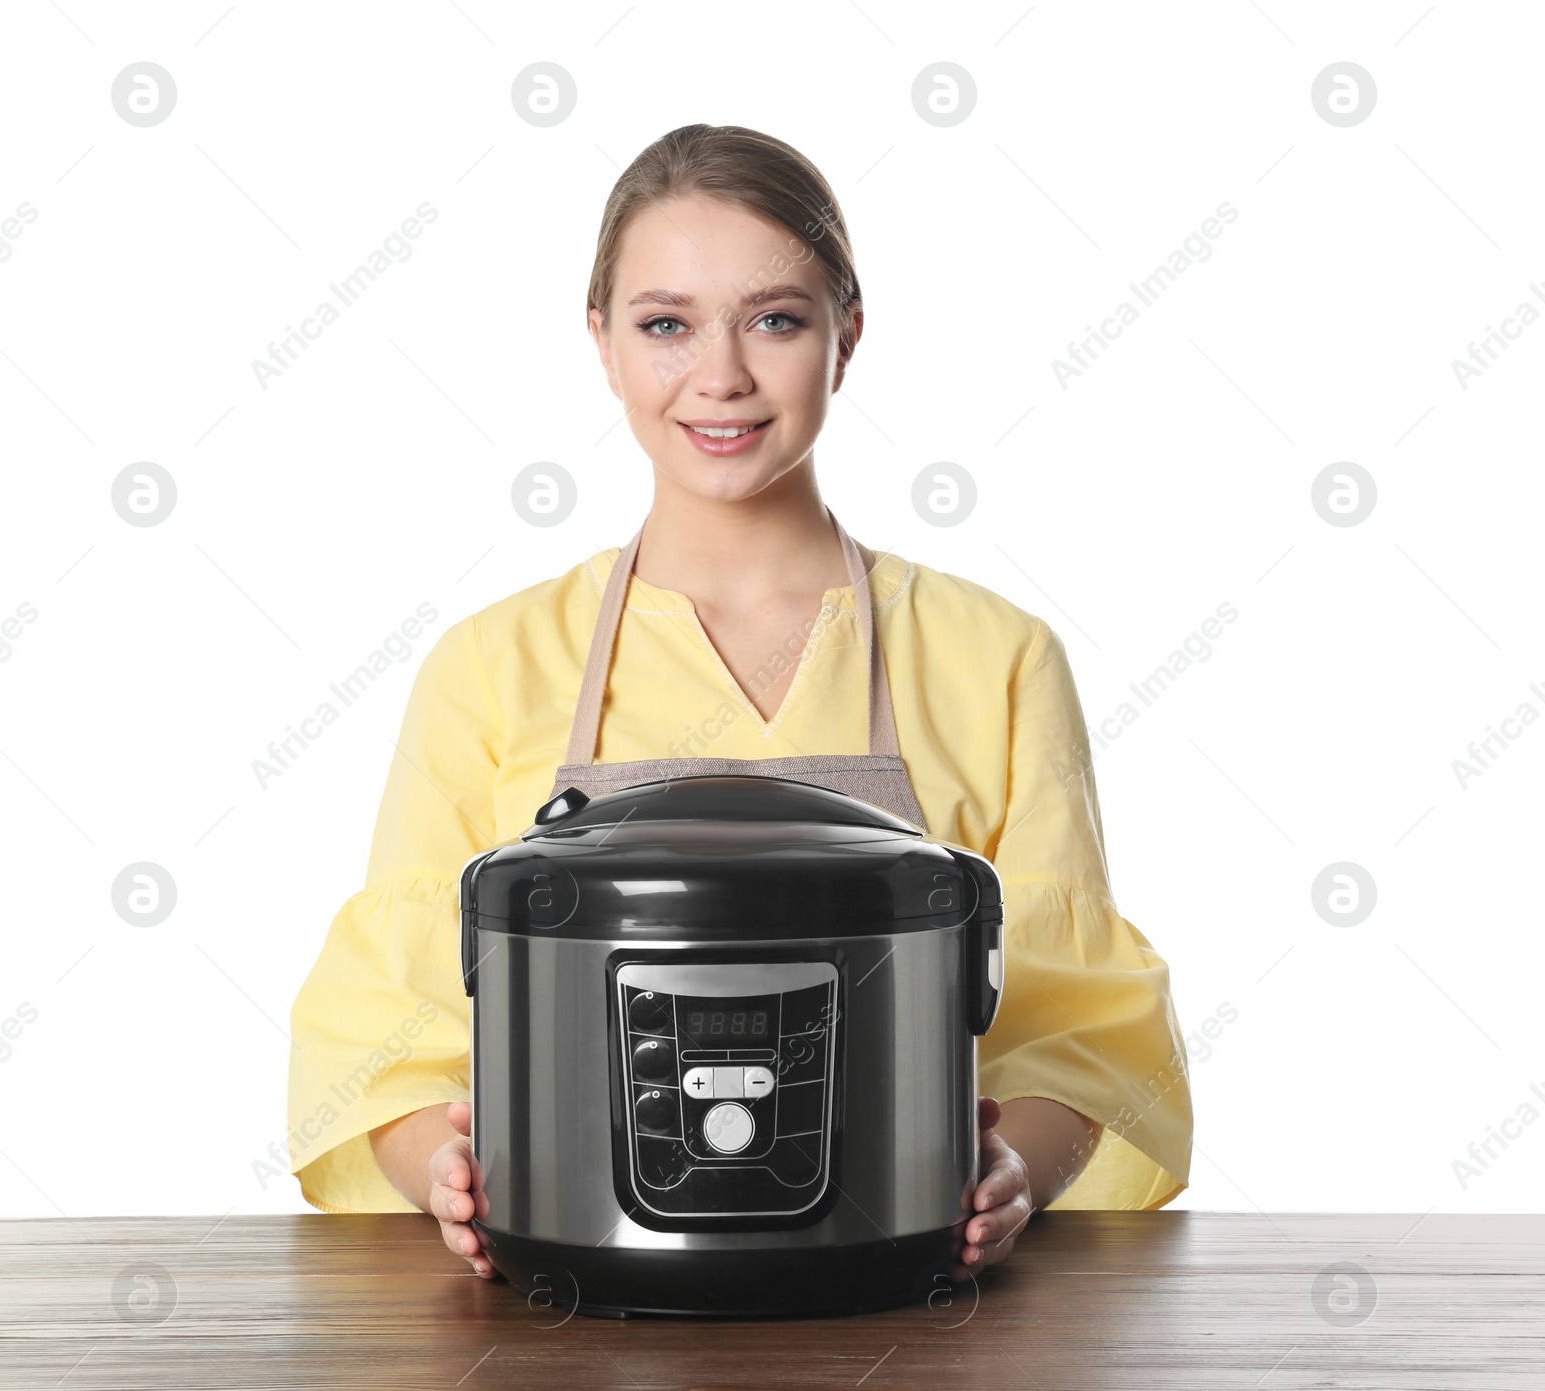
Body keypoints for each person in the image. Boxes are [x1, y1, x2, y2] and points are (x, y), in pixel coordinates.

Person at [287, 123, 1192, 1285]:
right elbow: (387, 1019)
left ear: (846, 335)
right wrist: (442, 1169)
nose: (718, 375)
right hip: (576, 1295)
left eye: (774, 318)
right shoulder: (489, 663)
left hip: (908, 1288)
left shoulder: (998, 656)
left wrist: (1018, 1167)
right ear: (602, 343)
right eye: (665, 323)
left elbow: (1079, 1017)